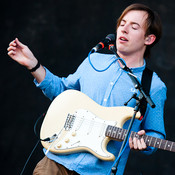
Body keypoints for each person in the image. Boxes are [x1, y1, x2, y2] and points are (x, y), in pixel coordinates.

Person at [7, 3, 167, 175]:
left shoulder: (154, 86)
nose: (124, 29)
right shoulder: (94, 61)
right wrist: (34, 65)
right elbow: (62, 92)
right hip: (55, 161)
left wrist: (144, 144)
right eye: (122, 23)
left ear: (149, 39)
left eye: (134, 27)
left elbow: (156, 133)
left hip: (99, 171)